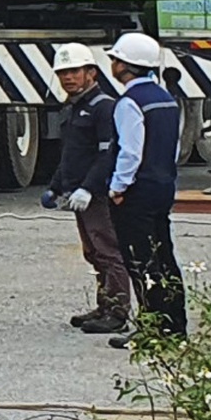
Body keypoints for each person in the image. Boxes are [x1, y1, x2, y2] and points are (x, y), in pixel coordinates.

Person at [101, 32, 187, 346]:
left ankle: (152, 327)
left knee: (140, 260)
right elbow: (172, 147)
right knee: (164, 255)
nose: (112, 63)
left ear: (126, 65)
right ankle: (175, 325)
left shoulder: (129, 102)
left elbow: (130, 151)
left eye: (115, 59)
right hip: (163, 185)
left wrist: (116, 188)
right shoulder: (166, 99)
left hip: (137, 190)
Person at [39, 42, 130, 335]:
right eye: (63, 72)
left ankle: (117, 312)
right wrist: (55, 187)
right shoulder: (74, 108)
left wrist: (89, 188)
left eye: (75, 71)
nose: (68, 77)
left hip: (97, 194)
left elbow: (107, 153)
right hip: (78, 193)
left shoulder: (103, 107)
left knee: (108, 249)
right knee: (93, 252)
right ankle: (103, 305)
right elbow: (71, 155)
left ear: (91, 72)